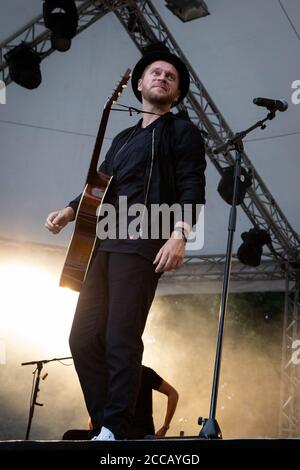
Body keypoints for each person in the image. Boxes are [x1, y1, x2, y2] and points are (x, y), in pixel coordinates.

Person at [45, 47, 206, 441]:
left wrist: (180, 234)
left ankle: (115, 427)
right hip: (104, 244)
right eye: (156, 72)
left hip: (144, 242)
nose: (163, 77)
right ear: (139, 84)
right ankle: (110, 424)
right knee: (82, 338)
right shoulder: (123, 137)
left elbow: (192, 185)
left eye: (171, 76)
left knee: (121, 337)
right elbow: (99, 186)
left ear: (178, 93)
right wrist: (70, 211)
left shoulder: (182, 131)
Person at [62, 365, 179, 440]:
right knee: (70, 436)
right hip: (114, 431)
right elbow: (93, 419)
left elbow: (173, 394)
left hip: (139, 434)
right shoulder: (107, 378)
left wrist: (165, 427)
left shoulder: (144, 372)